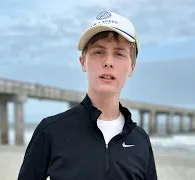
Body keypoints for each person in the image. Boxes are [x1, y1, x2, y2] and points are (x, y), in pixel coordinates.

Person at [17, 11, 158, 180]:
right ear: (83, 62)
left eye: (119, 54)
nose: (108, 62)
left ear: (132, 67)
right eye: (99, 52)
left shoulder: (140, 141)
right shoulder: (50, 132)